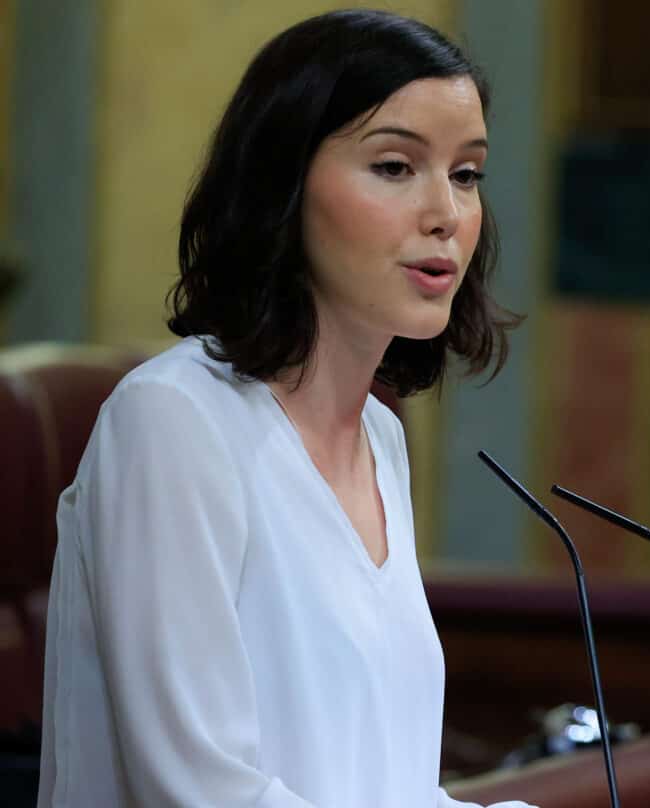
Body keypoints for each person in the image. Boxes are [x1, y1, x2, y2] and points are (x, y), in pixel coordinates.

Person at [37, 10, 536, 807]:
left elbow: (385, 788)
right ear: (283, 182)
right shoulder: (173, 422)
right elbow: (200, 793)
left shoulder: (379, 438)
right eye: (396, 167)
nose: (446, 212)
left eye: (467, 174)